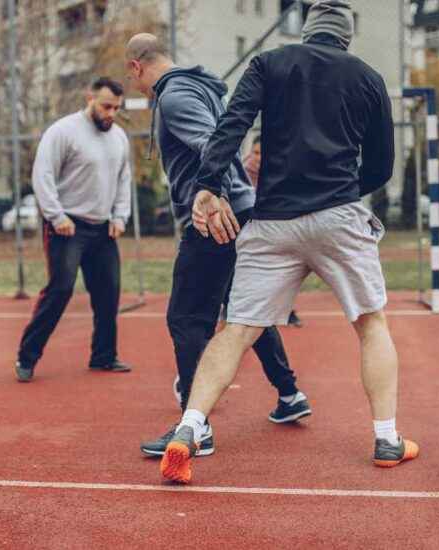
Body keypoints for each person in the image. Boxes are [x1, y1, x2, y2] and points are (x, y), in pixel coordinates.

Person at [159, 0, 418, 484]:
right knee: (370, 323)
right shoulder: (367, 78)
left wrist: (208, 186)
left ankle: (189, 430)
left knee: (236, 330)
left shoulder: (268, 63)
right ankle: (387, 438)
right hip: (338, 214)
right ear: (346, 37)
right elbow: (382, 166)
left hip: (272, 219)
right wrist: (339, 192)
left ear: (306, 31)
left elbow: (230, 127)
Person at [124, 34, 311, 459]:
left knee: (187, 317)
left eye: (131, 76)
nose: (134, 86)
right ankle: (290, 394)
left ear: (136, 67)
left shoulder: (174, 98)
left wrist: (217, 196)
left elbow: (214, 145)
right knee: (243, 310)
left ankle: (197, 424)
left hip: (216, 216)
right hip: (236, 209)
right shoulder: (198, 88)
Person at [15, 77, 133, 381]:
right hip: (67, 227)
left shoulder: (119, 137)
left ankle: (104, 357)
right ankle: (26, 358)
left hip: (103, 228)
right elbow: (43, 176)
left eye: (116, 108)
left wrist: (120, 217)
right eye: (106, 106)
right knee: (61, 289)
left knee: (108, 293)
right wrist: (56, 216)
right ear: (90, 98)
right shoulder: (63, 131)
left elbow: (123, 180)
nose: (111, 113)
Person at [243, 135, 303, 329]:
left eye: (263, 153)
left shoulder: (280, 171)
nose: (258, 158)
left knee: (283, 271)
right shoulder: (241, 172)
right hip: (247, 228)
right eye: (256, 152)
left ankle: (287, 311)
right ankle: (231, 309)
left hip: (274, 226)